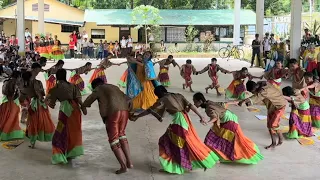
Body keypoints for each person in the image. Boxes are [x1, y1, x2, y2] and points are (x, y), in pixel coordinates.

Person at [131, 86, 219, 174]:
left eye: (157, 95)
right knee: (175, 142)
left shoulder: (163, 99)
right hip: (185, 120)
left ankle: (176, 167)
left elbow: (150, 110)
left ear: (159, 94)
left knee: (175, 143)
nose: (158, 97)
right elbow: (191, 106)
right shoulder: (178, 95)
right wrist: (201, 116)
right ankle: (173, 166)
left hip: (179, 123)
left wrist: (137, 116)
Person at [192, 92, 263, 164]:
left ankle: (223, 156)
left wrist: (207, 122)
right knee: (224, 139)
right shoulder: (209, 102)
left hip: (230, 122)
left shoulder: (208, 108)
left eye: (195, 102)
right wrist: (233, 102)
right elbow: (222, 104)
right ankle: (219, 156)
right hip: (230, 118)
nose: (194, 104)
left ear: (200, 101)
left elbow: (215, 117)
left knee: (223, 140)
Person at [83, 78, 133, 174]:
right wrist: (130, 111)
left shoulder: (98, 88)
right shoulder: (114, 87)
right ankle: (129, 162)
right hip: (125, 111)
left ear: (96, 86)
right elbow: (129, 99)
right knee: (122, 135)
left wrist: (84, 106)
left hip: (112, 113)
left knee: (113, 140)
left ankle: (123, 166)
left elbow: (89, 99)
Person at [45, 69, 86, 165]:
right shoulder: (73, 86)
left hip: (65, 112)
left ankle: (60, 154)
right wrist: (83, 108)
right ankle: (70, 152)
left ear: (57, 77)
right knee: (73, 131)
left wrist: (47, 101)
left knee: (60, 132)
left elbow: (52, 104)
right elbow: (79, 100)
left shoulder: (55, 89)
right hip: (75, 111)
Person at [239, 81, 287, 149]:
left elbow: (257, 96)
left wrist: (243, 101)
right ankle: (273, 143)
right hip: (271, 107)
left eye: (253, 91)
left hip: (279, 107)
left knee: (273, 124)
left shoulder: (263, 91)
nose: (253, 93)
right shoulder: (262, 84)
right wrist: (248, 102)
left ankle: (281, 138)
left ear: (255, 88)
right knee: (269, 126)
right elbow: (258, 96)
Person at [20, 63, 55, 148]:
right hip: (38, 104)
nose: (40, 71)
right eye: (39, 69)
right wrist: (45, 100)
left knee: (33, 122)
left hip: (33, 103)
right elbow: (40, 94)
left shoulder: (26, 83)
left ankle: (32, 142)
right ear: (35, 69)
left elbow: (23, 95)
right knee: (42, 121)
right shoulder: (36, 82)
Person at [0, 71, 24, 141]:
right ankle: (7, 133)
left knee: (4, 118)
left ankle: (3, 130)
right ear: (18, 76)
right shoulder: (15, 83)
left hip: (5, 101)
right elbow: (14, 94)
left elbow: (4, 92)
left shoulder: (6, 81)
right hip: (12, 103)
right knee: (11, 119)